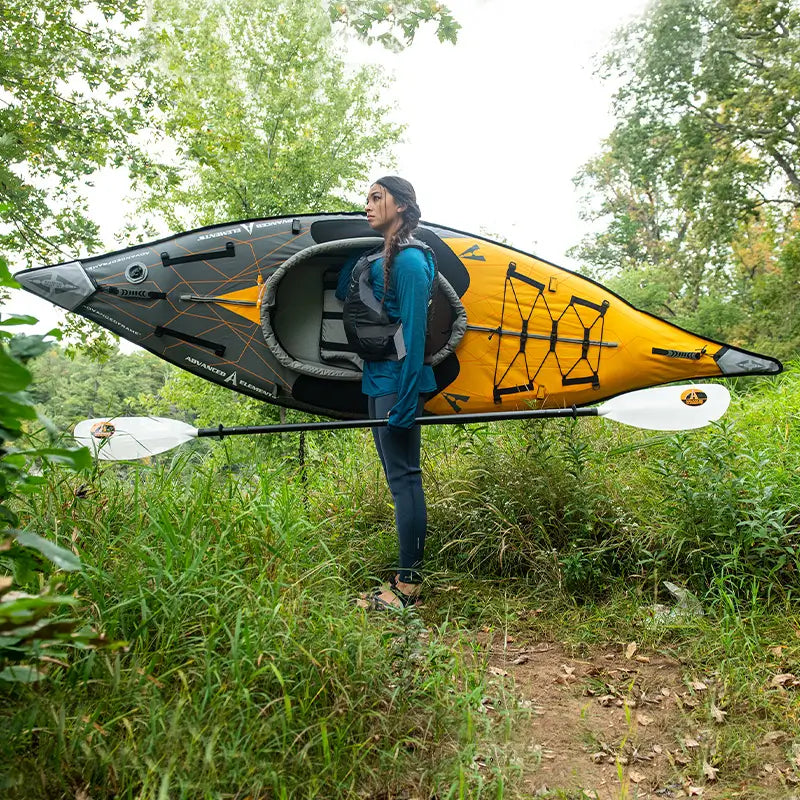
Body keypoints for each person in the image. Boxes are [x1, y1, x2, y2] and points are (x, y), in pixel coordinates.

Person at [338, 177, 437, 611]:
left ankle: (408, 589)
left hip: (398, 384)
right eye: (367, 199)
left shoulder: (412, 262)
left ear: (401, 205)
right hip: (378, 380)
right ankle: (404, 580)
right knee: (398, 480)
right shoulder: (379, 258)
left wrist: (406, 398)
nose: (368, 205)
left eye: (376, 198)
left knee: (404, 479)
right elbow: (346, 292)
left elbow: (416, 337)